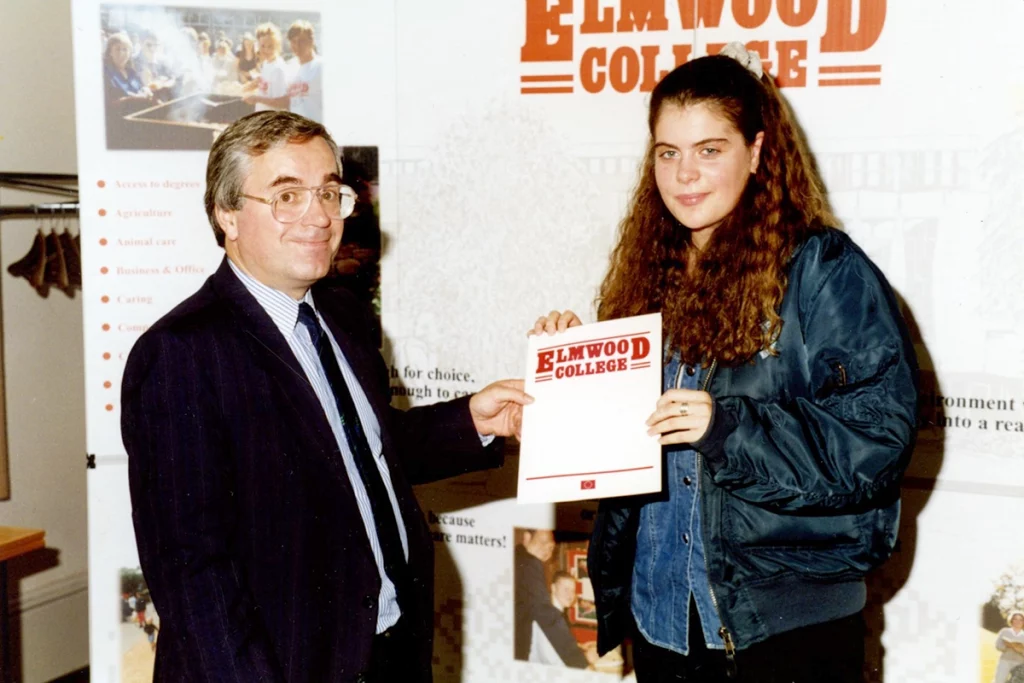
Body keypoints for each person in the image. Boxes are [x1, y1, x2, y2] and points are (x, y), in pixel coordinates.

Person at [530, 42, 918, 682]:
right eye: (668, 153)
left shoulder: (823, 270)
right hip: (664, 620)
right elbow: (627, 451)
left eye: (710, 150)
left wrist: (727, 428)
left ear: (759, 152)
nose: (685, 175)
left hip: (784, 628)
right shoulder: (647, 273)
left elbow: (875, 443)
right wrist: (572, 368)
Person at [121, 110, 532, 682]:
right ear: (227, 214)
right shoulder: (181, 354)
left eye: (329, 192)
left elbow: (359, 452)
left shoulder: (342, 313)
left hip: (386, 647)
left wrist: (473, 420)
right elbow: (193, 576)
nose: (317, 216)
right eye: (287, 195)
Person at [514, 530, 596, 669]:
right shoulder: (528, 562)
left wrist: (579, 648)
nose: (547, 549)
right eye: (542, 542)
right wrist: (583, 660)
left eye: (551, 546)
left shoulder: (518, 560)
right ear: (527, 538)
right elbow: (547, 618)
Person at [242, 22, 289, 112]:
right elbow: (268, 87)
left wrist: (256, 99)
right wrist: (257, 83)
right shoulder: (267, 63)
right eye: (262, 46)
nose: (266, 50)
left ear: (277, 46)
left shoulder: (278, 69)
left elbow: (283, 103)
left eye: (270, 46)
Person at [102, 32, 153, 115]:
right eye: (117, 49)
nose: (121, 53)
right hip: (119, 121)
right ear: (110, 52)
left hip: (139, 115)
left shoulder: (131, 72)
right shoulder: (105, 73)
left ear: (129, 53)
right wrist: (131, 99)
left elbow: (142, 87)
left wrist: (146, 90)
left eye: (125, 49)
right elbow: (108, 104)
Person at [285, 20, 322, 121]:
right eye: (293, 41)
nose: (297, 45)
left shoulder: (321, 66)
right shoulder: (289, 66)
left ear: (311, 41)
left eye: (301, 41)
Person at [994, 611, 1024, 683]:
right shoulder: (1004, 631)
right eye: (1015, 619)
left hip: (1019, 664)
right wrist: (1007, 645)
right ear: (1011, 620)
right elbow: (998, 646)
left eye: (1020, 620)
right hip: (1004, 661)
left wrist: (1017, 648)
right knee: (999, 681)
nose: (1018, 621)